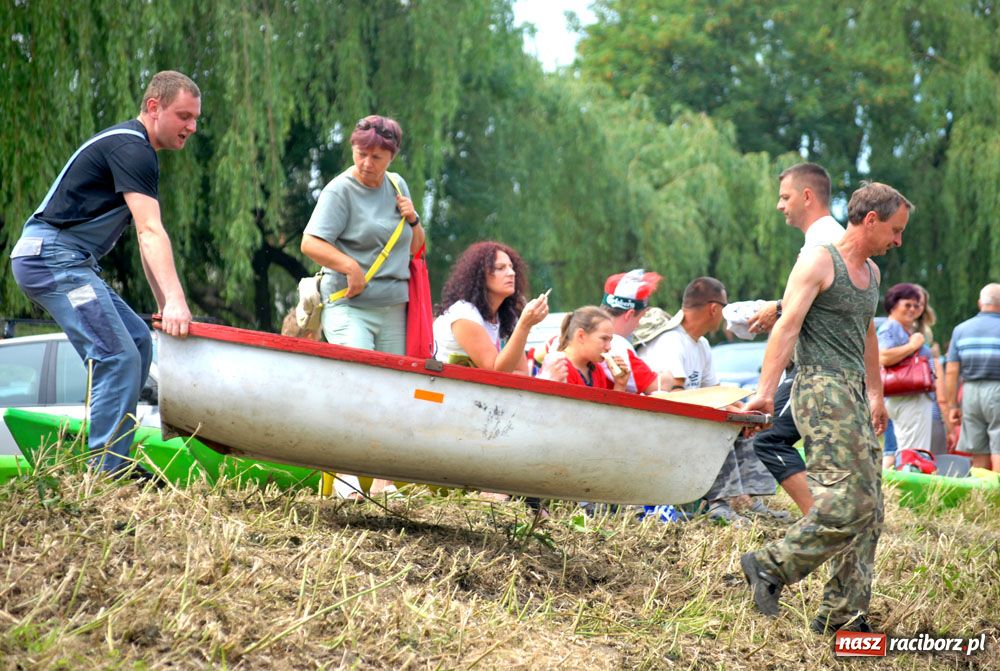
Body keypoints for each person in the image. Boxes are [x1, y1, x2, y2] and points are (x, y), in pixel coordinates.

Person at [741, 181, 912, 635]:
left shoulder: (871, 275)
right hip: (819, 388)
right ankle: (770, 565)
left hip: (853, 390)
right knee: (847, 503)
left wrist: (876, 394)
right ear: (870, 219)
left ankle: (844, 619)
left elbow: (867, 335)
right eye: (894, 230)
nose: (898, 241)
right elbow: (787, 326)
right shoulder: (819, 260)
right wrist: (764, 391)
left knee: (871, 510)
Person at [10, 70, 200, 479]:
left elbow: (148, 244)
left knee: (135, 342)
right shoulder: (133, 149)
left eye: (196, 118)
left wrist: (166, 306)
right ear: (154, 107)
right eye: (184, 115)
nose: (192, 126)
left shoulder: (135, 151)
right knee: (117, 355)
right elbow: (151, 232)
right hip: (51, 259)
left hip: (68, 261)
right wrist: (180, 303)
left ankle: (114, 459)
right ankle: (105, 473)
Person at [300, 114, 424, 497]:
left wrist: (413, 218)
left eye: (377, 157)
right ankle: (345, 478)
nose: (367, 164)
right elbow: (311, 243)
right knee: (357, 386)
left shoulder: (396, 184)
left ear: (392, 156)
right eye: (361, 153)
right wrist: (349, 266)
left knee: (391, 393)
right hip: (348, 304)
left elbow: (417, 248)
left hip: (392, 307)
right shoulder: (339, 190)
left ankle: (383, 480)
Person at [636, 277, 783, 526]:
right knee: (716, 430)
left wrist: (746, 412)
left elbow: (712, 391)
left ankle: (752, 501)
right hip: (662, 422)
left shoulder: (701, 344)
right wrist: (731, 412)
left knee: (749, 424)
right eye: (724, 308)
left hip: (691, 415)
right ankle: (719, 505)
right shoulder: (671, 341)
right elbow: (679, 398)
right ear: (714, 308)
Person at [746, 163, 846, 515]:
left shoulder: (822, 243)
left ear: (807, 196)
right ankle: (832, 518)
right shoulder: (832, 237)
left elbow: (792, 322)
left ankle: (819, 520)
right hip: (836, 370)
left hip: (813, 367)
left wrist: (764, 392)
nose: (779, 205)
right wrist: (777, 306)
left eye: (784, 197)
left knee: (769, 439)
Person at [433, 242, 548, 372]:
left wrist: (522, 325)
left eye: (511, 267)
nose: (511, 273)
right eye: (500, 268)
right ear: (480, 276)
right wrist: (524, 325)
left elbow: (522, 373)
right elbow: (495, 372)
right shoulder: (464, 314)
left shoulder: (507, 317)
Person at [877, 283, 935, 468]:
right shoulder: (891, 327)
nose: (913, 309)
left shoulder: (903, 328)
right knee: (913, 453)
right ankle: (910, 493)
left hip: (906, 397)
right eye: (907, 305)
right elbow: (883, 356)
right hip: (908, 397)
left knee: (906, 451)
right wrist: (912, 345)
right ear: (893, 305)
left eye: (917, 305)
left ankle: (899, 489)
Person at [944, 283, 1000, 472]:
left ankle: (981, 497)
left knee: (978, 450)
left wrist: (952, 405)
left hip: (970, 393)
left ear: (979, 303)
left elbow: (951, 371)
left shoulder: (961, 330)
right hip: (997, 389)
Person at [599, 269, 670, 393]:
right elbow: (661, 386)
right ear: (630, 314)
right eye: (641, 317)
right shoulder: (618, 345)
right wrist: (668, 374)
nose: (638, 324)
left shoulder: (575, 329)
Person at [541, 307, 630, 390]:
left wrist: (620, 385)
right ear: (581, 336)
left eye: (610, 340)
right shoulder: (559, 369)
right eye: (604, 339)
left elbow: (602, 407)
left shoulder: (597, 371)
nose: (609, 347)